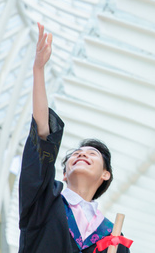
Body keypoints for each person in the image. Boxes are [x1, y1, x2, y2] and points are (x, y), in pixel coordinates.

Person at [18, 23, 131, 253]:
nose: (81, 154)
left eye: (92, 154)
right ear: (64, 173)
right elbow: (42, 136)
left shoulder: (112, 237)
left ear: (105, 174)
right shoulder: (43, 200)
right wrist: (39, 70)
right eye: (75, 155)